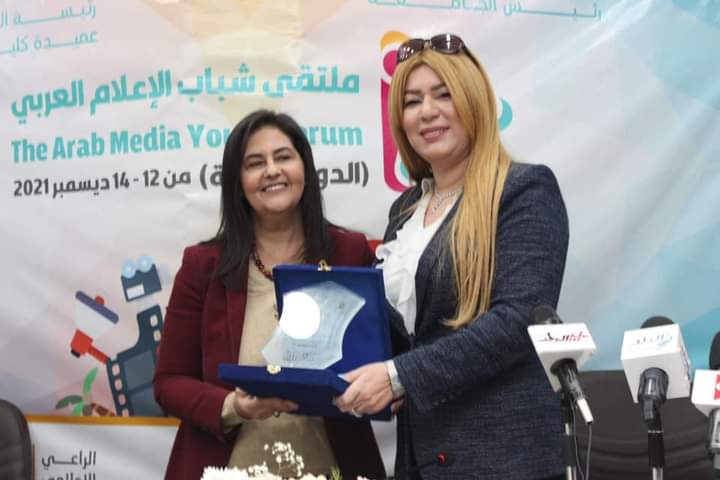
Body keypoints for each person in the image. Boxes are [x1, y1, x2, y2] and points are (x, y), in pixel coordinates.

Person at [335, 34, 569, 480]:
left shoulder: (523, 190)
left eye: (443, 94)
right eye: (412, 101)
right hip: (420, 459)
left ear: (474, 101)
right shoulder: (405, 209)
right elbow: (406, 338)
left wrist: (398, 376)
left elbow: (518, 321)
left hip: (504, 461)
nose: (427, 112)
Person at [154, 109, 385, 480]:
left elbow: (383, 363)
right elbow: (169, 382)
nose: (272, 171)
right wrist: (233, 406)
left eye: (283, 157)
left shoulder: (350, 252)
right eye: (255, 163)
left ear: (305, 168)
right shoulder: (203, 265)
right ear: (238, 182)